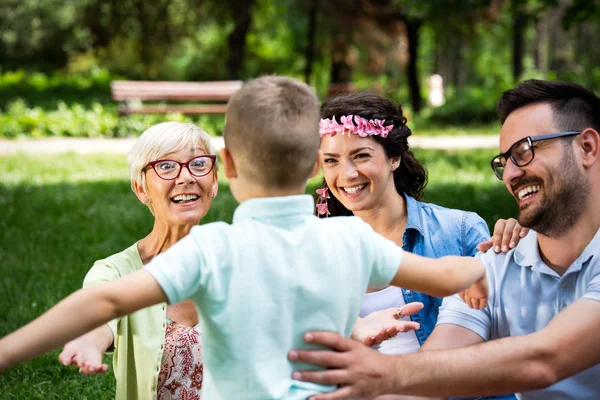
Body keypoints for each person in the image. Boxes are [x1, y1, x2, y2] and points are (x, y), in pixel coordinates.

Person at [0, 76, 488, 399]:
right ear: (317, 165)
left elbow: (104, 301)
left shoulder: (211, 249)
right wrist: (476, 273)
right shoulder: (350, 241)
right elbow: (447, 273)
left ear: (226, 165)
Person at [288, 79, 600, 400]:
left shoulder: (465, 237)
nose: (510, 174)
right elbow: (435, 370)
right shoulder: (494, 263)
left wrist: (379, 373)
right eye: (505, 161)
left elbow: (540, 361)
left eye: (525, 151)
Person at [315, 92, 522, 374]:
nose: (347, 174)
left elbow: (497, 330)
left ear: (394, 158)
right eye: (331, 160)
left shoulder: (459, 231)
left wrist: (517, 251)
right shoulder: (317, 247)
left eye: (361, 156)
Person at [57, 121, 219, 400]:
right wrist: (88, 344)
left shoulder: (238, 259)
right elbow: (99, 317)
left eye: (199, 163)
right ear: (141, 189)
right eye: (166, 166)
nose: (186, 177)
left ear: (214, 182)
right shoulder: (115, 272)